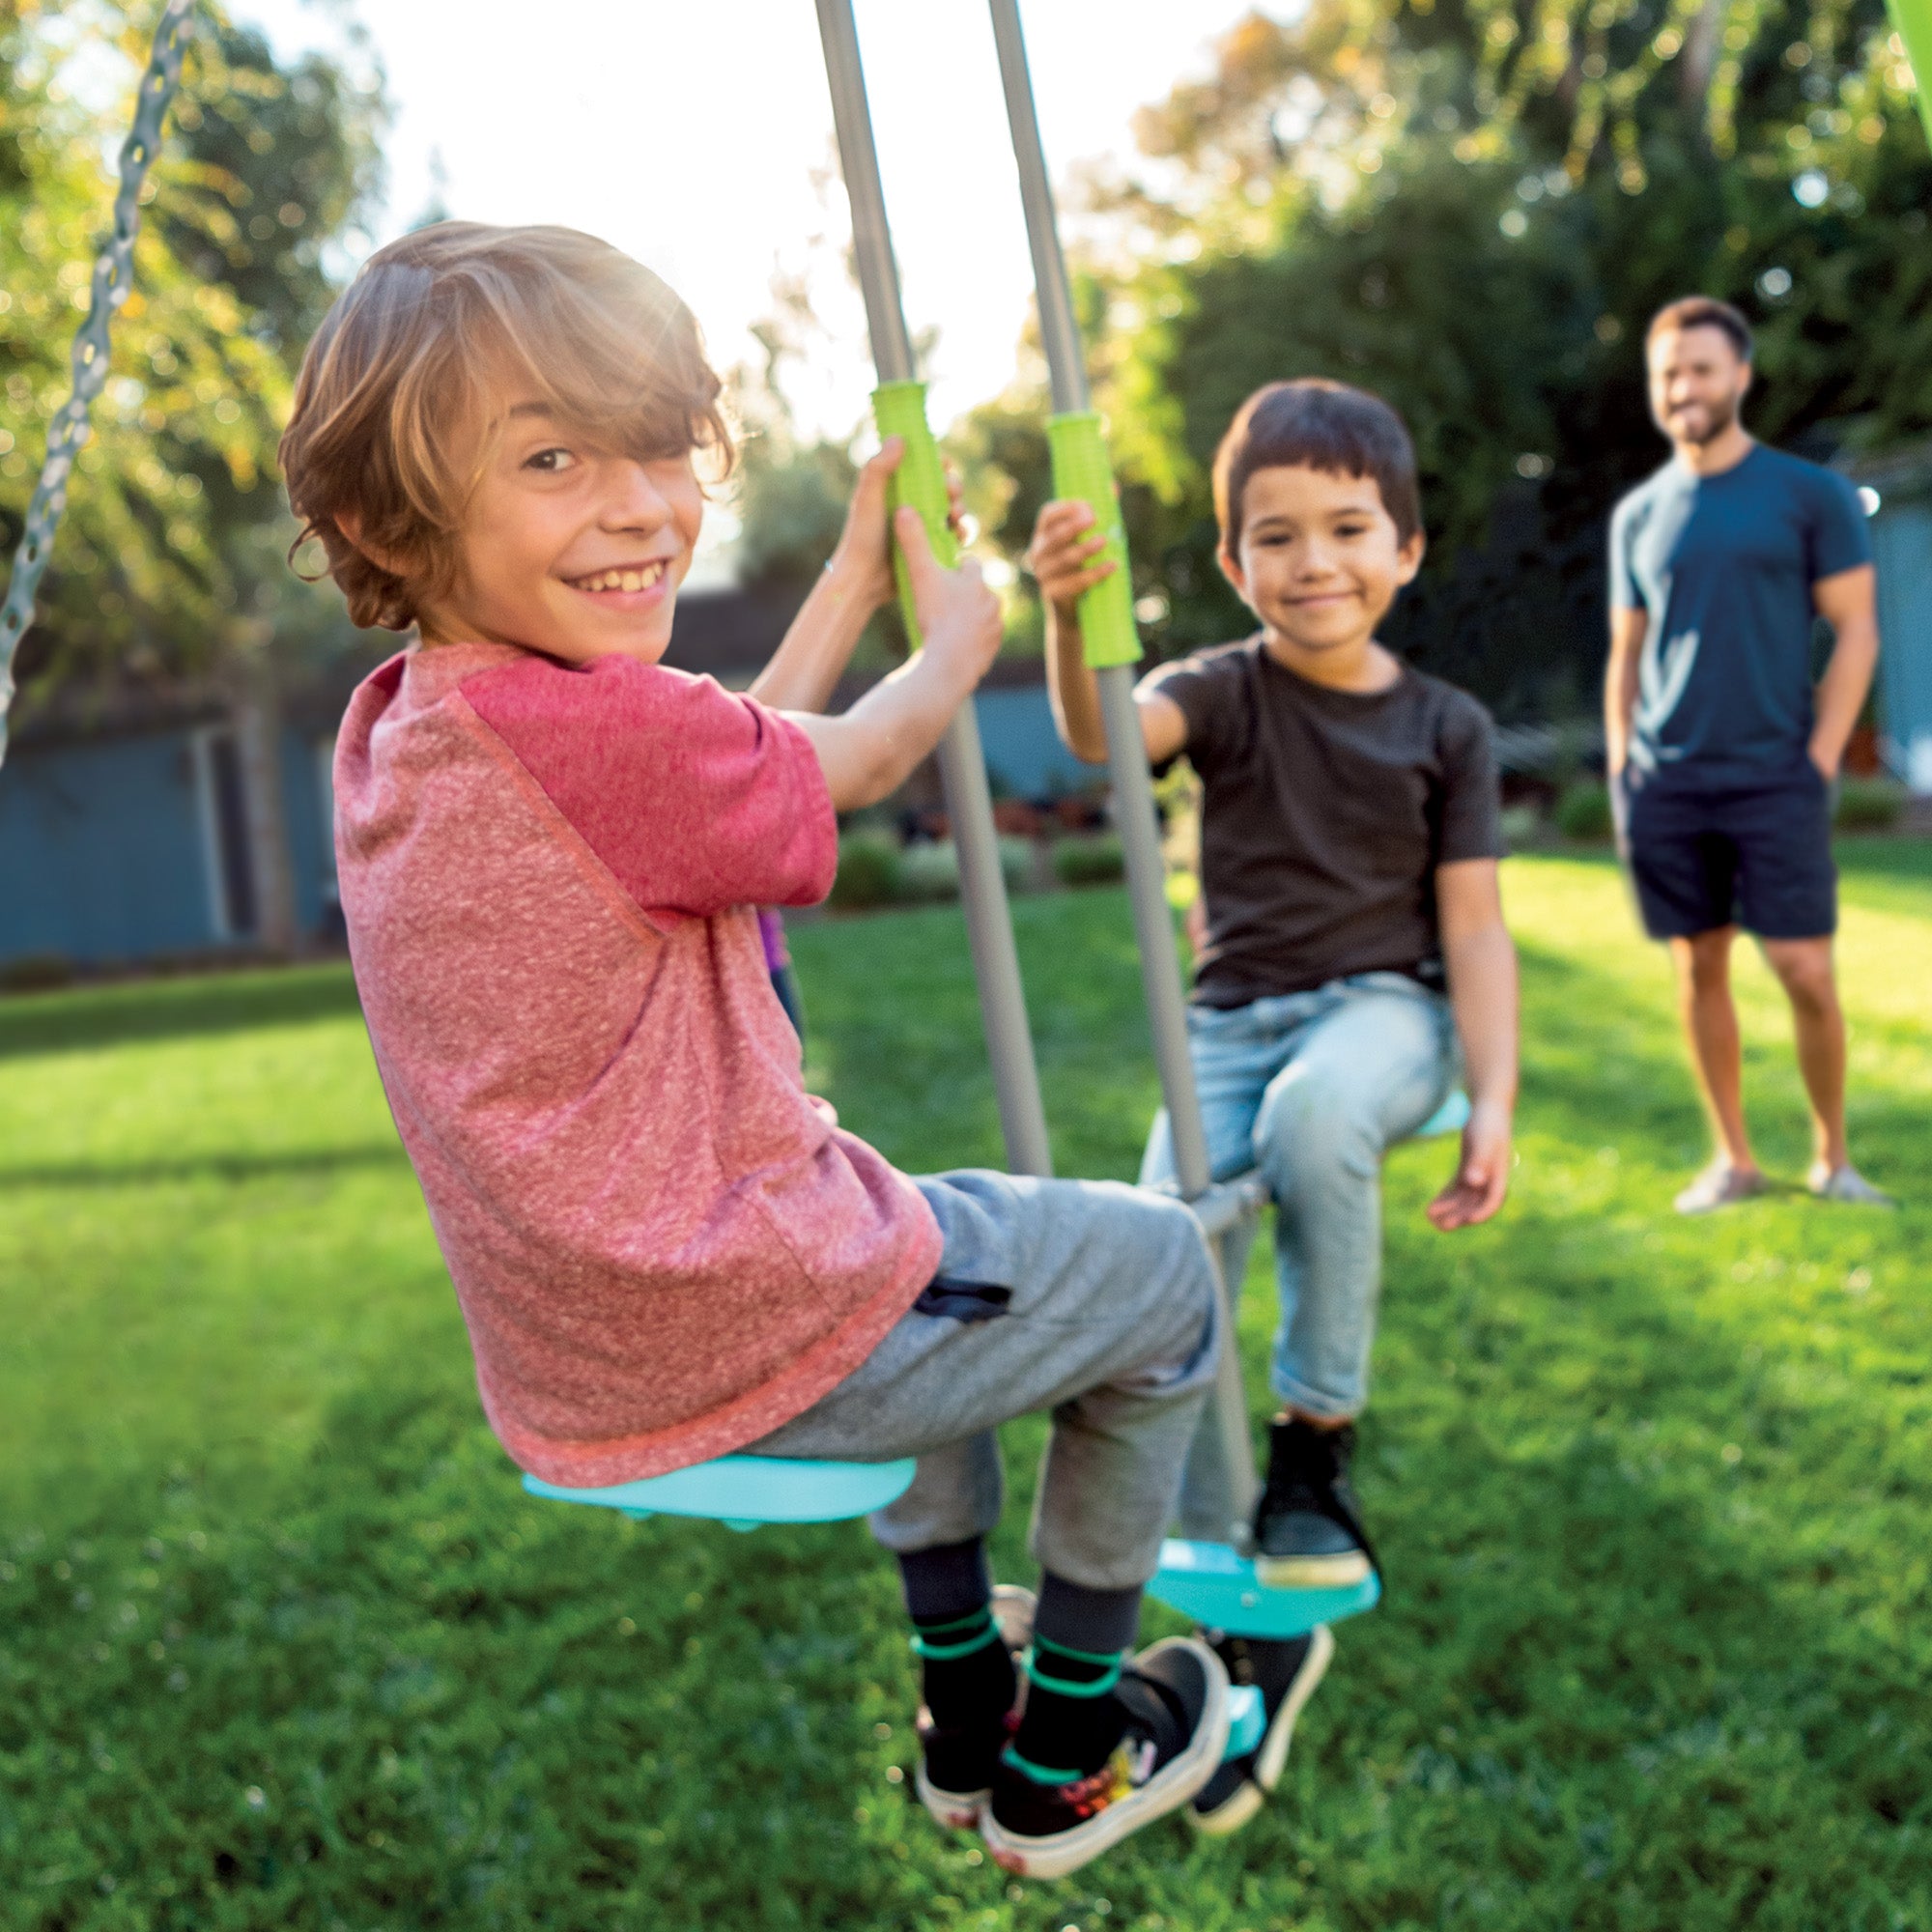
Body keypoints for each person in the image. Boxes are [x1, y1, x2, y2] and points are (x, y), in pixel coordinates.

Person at [281, 222, 1232, 1878]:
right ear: (381, 517)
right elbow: (840, 760)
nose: (640, 505)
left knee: (930, 1225)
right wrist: (955, 644)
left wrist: (853, 575)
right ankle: (1066, 1753)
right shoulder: (597, 733)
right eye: (554, 459)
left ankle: (963, 1696)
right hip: (727, 1321)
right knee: (1159, 1280)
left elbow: (718, 761)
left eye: (661, 448)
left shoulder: (409, 728)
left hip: (585, 1351)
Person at [1032, 378, 1519, 1833]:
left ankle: (1315, 1452)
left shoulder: (1445, 725)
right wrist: (1065, 615)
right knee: (1155, 1255)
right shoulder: (1224, 689)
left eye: (1348, 528)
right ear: (1233, 562)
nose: (1316, 562)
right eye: (1277, 536)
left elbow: (1474, 926)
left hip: (1386, 1017)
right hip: (1227, 1025)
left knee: (1316, 1121)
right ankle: (1237, 1624)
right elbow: (1106, 738)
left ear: (1406, 546)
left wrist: (1493, 1095)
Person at [1606, 297, 1889, 1213]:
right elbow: (1627, 651)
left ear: (1740, 375)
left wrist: (1819, 757)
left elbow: (1857, 630)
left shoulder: (1810, 496)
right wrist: (1622, 763)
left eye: (1700, 368)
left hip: (1776, 775)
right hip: (1670, 780)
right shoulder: (1639, 514)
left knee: (1806, 970)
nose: (1683, 388)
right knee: (1700, 967)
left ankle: (1833, 1157)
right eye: (1668, 374)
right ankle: (1735, 1160)